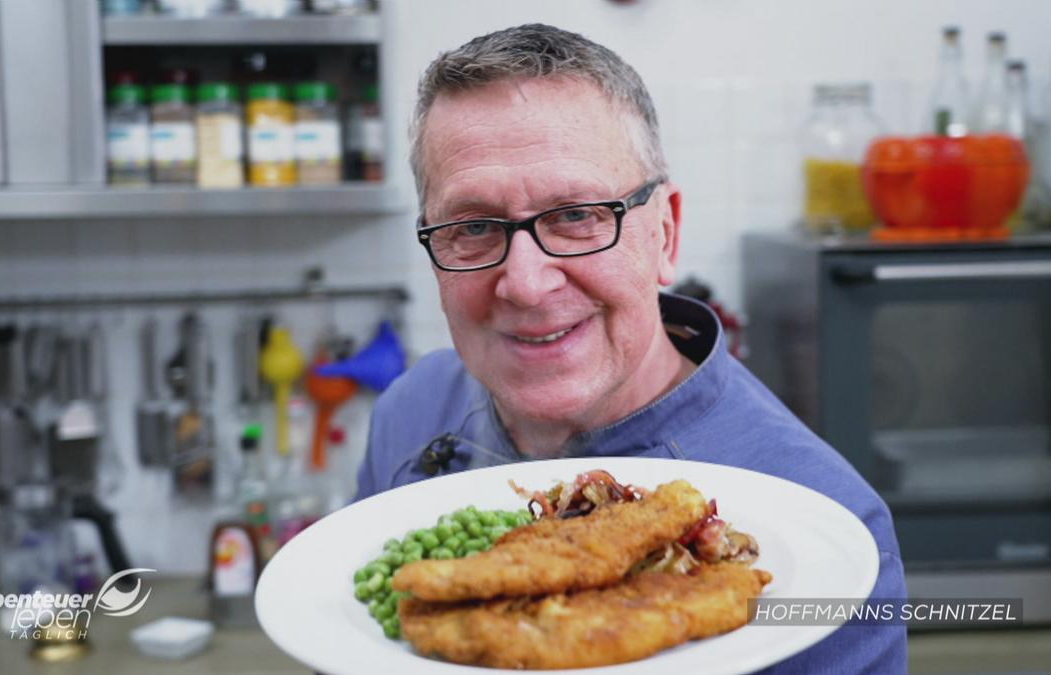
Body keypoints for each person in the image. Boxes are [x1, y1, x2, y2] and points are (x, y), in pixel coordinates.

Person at [354, 23, 906, 673]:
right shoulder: (407, 413)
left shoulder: (830, 532)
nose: (527, 284)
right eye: (472, 226)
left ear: (664, 234)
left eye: (578, 215)